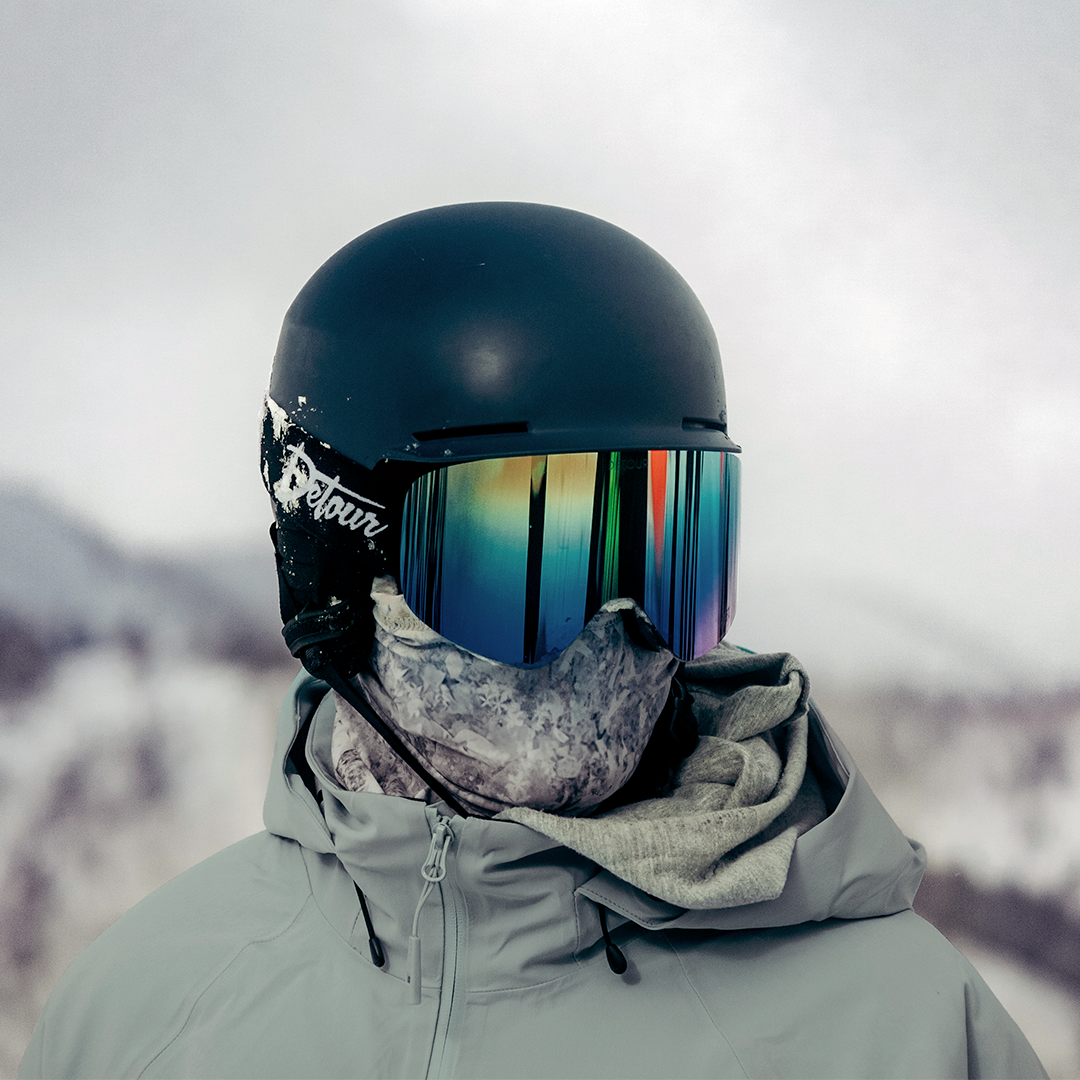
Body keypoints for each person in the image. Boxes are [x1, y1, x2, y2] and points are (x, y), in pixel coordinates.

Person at [20, 202, 1046, 1079]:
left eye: (670, 557)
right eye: (528, 559)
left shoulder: (903, 1031)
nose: (619, 634)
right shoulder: (144, 1016)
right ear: (335, 581)